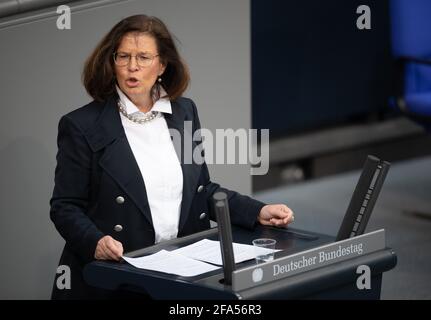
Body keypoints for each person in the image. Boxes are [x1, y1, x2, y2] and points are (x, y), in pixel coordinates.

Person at [50, 14, 294, 300]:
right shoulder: (82, 125)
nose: (132, 66)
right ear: (111, 62)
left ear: (162, 64)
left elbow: (202, 192)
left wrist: (256, 211)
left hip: (176, 274)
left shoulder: (183, 112)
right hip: (114, 280)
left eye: (143, 57)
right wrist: (95, 242)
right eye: (123, 56)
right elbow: (65, 207)